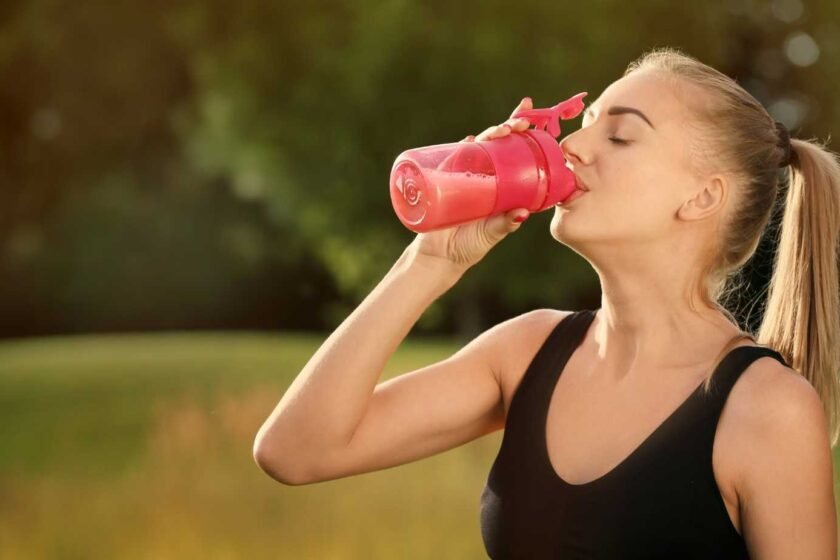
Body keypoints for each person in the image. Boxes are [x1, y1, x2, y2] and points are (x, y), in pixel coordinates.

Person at [253, 47, 839, 558]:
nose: (574, 146)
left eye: (619, 135)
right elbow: (295, 451)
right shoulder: (527, 351)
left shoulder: (766, 409)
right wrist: (432, 259)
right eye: (584, 124)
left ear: (702, 196)